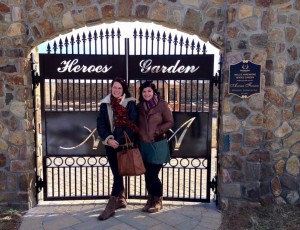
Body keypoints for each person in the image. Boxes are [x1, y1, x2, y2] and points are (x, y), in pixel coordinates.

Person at [97, 77, 138, 221]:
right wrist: (109, 138)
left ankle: (110, 206)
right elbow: (100, 123)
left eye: (119, 88)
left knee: (118, 175)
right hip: (110, 145)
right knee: (117, 173)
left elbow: (132, 124)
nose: (116, 90)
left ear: (123, 89)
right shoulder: (105, 103)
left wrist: (118, 141)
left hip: (123, 145)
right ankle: (120, 200)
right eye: (114, 87)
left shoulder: (130, 103)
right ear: (111, 88)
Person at [137, 81, 174, 213]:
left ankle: (158, 199)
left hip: (158, 144)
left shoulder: (162, 104)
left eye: (149, 91)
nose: (147, 93)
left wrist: (158, 130)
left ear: (154, 92)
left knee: (152, 174)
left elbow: (170, 121)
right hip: (143, 145)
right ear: (141, 93)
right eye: (144, 91)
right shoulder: (139, 106)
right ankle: (151, 199)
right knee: (147, 174)